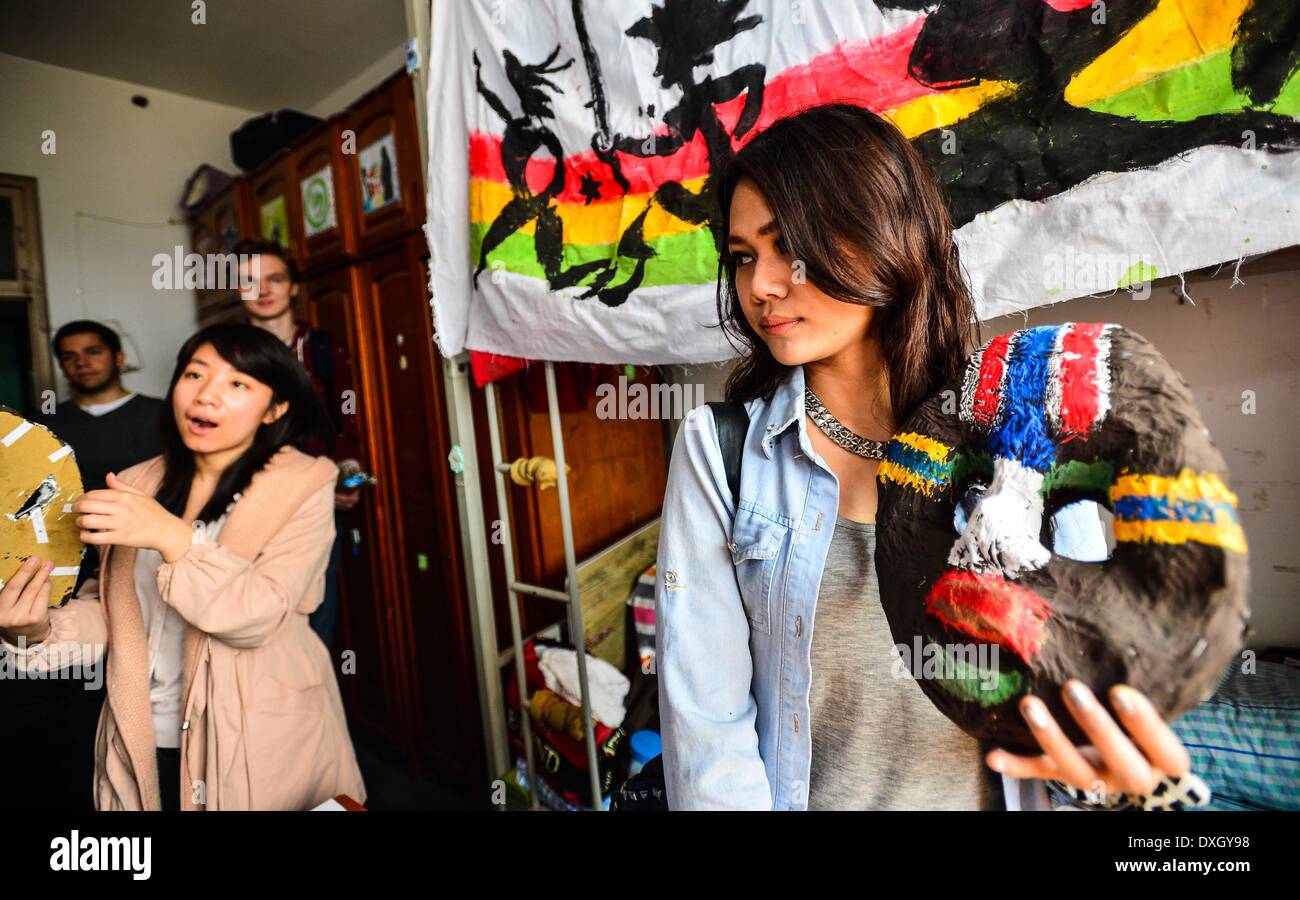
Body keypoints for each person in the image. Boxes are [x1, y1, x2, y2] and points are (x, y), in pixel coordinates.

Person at [656, 104, 1197, 811]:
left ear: (884, 235)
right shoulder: (720, 452)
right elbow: (709, 739)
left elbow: (1086, 705)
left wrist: (1128, 786)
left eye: (788, 245)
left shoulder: (1025, 436)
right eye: (742, 257)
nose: (760, 285)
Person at [0, 324, 366, 810]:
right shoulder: (136, 482)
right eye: (195, 374)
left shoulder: (304, 482)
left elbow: (258, 614)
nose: (207, 396)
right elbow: (111, 611)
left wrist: (170, 535)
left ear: (275, 408)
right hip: (145, 734)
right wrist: (38, 629)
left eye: (238, 384)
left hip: (257, 737)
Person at [232, 238, 361, 651]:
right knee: (251, 619)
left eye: (275, 279)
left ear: (292, 287)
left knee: (313, 618)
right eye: (249, 281)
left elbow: (350, 428)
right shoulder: (226, 353)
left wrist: (349, 482)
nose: (263, 290)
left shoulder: (322, 348)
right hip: (246, 500)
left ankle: (307, 711)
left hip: (316, 499)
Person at [37, 320, 164, 493]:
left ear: (119, 358)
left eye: (93, 352)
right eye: (69, 356)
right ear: (61, 366)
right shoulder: (44, 423)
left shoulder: (163, 414)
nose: (81, 362)